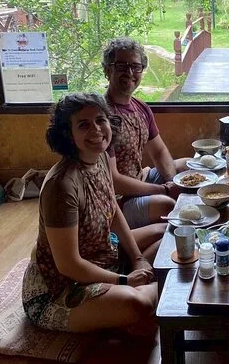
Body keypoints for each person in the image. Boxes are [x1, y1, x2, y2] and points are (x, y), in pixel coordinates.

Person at [22, 93, 158, 336]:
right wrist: (125, 280)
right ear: (68, 134)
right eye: (84, 125)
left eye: (100, 120)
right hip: (63, 287)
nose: (96, 130)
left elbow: (112, 209)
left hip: (105, 257)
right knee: (137, 304)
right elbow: (69, 265)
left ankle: (143, 294)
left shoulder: (101, 157)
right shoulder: (61, 186)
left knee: (167, 236)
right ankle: (157, 290)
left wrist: (138, 258)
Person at [102, 37, 190, 229]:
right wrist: (164, 190)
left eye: (136, 67)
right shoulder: (101, 117)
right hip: (115, 200)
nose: (130, 73)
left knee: (188, 167)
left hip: (140, 178)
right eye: (121, 66)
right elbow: (114, 181)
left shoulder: (140, 107)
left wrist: (171, 182)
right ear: (107, 70)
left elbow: (159, 152)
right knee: (167, 205)